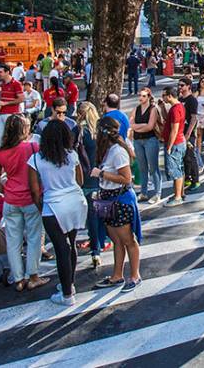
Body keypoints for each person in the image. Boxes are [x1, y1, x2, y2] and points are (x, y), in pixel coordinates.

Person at [27, 119, 87, 305]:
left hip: (52, 205)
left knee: (61, 249)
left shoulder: (36, 159)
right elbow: (80, 181)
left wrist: (41, 206)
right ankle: (70, 283)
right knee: (71, 244)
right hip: (75, 201)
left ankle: (67, 294)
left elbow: (35, 191)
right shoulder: (72, 155)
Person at [0, 114, 48, 292]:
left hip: (11, 200)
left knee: (13, 240)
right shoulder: (33, 147)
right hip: (32, 198)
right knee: (33, 238)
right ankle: (33, 275)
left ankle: (18, 279)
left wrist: (6, 191)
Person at [90, 115, 144, 292]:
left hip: (120, 199)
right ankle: (117, 275)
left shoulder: (117, 152)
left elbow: (126, 178)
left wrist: (101, 174)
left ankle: (135, 275)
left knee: (128, 240)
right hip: (109, 199)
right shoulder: (109, 149)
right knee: (116, 240)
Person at [75, 102, 108, 267]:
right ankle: (100, 243)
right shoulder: (101, 130)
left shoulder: (79, 131)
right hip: (102, 175)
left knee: (91, 215)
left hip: (84, 177)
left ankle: (95, 248)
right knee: (100, 211)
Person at [131, 89, 161, 204]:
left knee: (153, 168)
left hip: (150, 140)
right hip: (138, 140)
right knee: (142, 167)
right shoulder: (136, 108)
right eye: (140, 95)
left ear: (148, 97)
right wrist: (141, 125)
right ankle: (144, 192)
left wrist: (137, 126)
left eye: (143, 96)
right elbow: (131, 124)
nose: (140, 98)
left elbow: (150, 127)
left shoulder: (153, 109)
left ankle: (157, 193)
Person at [160, 86, 186, 207]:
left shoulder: (175, 109)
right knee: (179, 168)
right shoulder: (178, 106)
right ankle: (179, 193)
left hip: (175, 143)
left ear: (170, 96)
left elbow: (174, 130)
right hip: (179, 142)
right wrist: (162, 108)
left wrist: (169, 146)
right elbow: (167, 119)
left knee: (175, 171)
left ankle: (178, 196)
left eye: (164, 95)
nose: (163, 97)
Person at [178, 78, 201, 190]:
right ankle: (187, 177)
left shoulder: (192, 100)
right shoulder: (179, 99)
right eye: (179, 85)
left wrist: (188, 134)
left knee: (191, 156)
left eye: (182, 85)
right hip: (180, 132)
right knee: (184, 157)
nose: (180, 87)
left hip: (189, 134)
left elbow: (194, 118)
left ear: (188, 86)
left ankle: (195, 180)